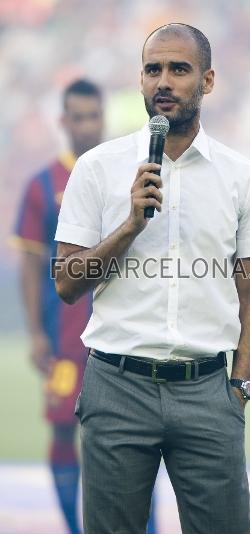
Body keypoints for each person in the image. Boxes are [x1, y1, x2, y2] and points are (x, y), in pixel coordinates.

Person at [54, 23, 250, 534]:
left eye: (179, 69)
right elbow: (66, 284)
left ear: (208, 81)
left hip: (206, 391)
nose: (164, 81)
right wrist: (130, 225)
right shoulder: (97, 168)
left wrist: (239, 386)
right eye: (153, 69)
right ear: (139, 79)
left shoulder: (245, 178)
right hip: (116, 386)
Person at [13, 79, 104, 533]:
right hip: (64, 335)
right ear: (64, 122)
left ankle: (144, 525)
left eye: (94, 116)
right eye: (78, 117)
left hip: (118, 335)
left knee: (132, 437)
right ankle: (73, 525)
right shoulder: (43, 184)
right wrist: (34, 331)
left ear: (103, 118)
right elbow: (30, 265)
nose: (87, 125)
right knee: (64, 428)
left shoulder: (123, 173)